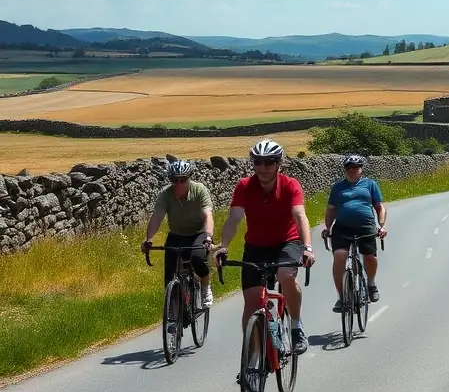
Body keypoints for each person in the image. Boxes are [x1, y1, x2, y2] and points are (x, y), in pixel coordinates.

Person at [215, 139, 315, 355]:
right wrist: (223, 246)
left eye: (268, 163)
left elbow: (299, 215)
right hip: (257, 246)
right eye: (257, 163)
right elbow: (234, 218)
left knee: (285, 276)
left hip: (287, 242)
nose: (262, 168)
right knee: (251, 305)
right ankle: (253, 360)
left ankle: (297, 326)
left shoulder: (290, 185)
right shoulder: (244, 186)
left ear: (279, 164)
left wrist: (307, 247)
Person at [142, 159, 214, 308]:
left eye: (183, 180)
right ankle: (174, 313)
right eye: (175, 180)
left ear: (189, 178)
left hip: (198, 233)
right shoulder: (166, 194)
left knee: (197, 259)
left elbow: (207, 215)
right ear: (170, 180)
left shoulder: (199, 190)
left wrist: (208, 237)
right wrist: (148, 239)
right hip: (176, 235)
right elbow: (157, 217)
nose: (179, 184)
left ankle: (205, 287)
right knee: (170, 276)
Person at [323, 154, 387, 311]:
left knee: (370, 257)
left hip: (365, 225)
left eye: (356, 168)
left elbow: (380, 207)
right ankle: (342, 297)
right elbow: (331, 210)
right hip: (343, 227)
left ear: (361, 169)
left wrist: (381, 226)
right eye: (350, 168)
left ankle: (371, 283)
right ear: (345, 170)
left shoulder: (370, 184)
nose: (353, 170)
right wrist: (328, 227)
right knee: (339, 256)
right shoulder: (338, 187)